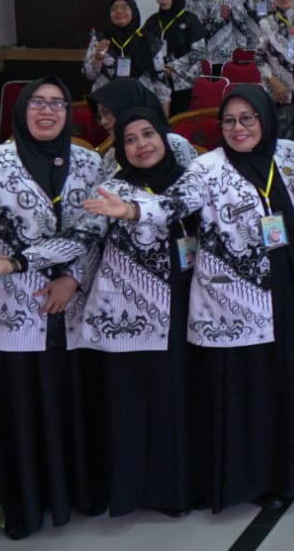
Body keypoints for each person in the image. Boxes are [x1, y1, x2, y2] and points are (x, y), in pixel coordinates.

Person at [0, 78, 106, 539]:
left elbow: (95, 230)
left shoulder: (90, 162)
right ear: (20, 110)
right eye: (37, 102)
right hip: (9, 302)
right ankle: (27, 506)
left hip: (69, 302)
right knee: (20, 409)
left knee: (72, 402)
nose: (47, 111)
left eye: (57, 103)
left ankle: (79, 493)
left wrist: (73, 279)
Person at [149, 86, 294, 511]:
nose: (239, 128)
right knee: (249, 389)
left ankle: (291, 471)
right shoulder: (207, 168)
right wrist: (133, 210)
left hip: (285, 290)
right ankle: (252, 482)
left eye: (248, 118)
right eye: (229, 121)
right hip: (234, 300)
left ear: (265, 119)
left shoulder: (286, 159)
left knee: (286, 380)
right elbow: (171, 205)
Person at [76, 106, 198, 517]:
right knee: (129, 404)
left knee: (174, 399)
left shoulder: (189, 181)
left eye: (148, 134)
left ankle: (177, 491)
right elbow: (82, 241)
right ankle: (130, 491)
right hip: (126, 313)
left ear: (164, 137)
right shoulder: (111, 190)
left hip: (182, 307)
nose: (141, 144)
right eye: (129, 139)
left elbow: (176, 210)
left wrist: (133, 211)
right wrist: (15, 263)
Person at [84, 0, 170, 113]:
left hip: (141, 102)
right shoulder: (100, 40)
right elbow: (90, 75)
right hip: (107, 104)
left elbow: (160, 80)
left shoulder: (148, 40)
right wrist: (98, 59)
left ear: (134, 11)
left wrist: (164, 118)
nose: (119, 11)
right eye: (114, 9)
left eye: (125, 7)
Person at [149, 0, 208, 115]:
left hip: (183, 81)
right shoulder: (153, 21)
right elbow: (145, 48)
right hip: (158, 81)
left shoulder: (190, 19)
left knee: (180, 120)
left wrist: (173, 67)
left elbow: (199, 52)